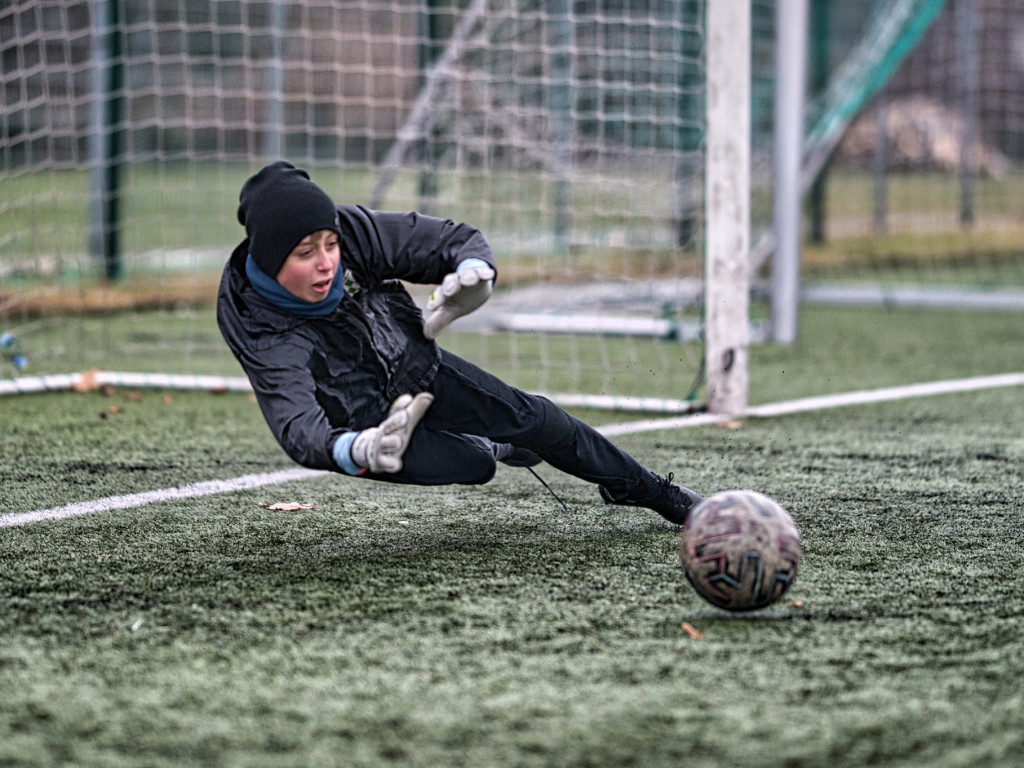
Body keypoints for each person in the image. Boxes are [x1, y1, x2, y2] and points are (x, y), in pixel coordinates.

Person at [216, 161, 702, 524]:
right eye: (305, 253)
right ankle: (494, 447)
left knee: (539, 419)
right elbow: (298, 426)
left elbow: (447, 239)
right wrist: (357, 448)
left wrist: (475, 273)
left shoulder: (352, 233)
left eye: (330, 244)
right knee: (473, 464)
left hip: (415, 365)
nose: (327, 262)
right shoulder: (259, 325)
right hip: (360, 424)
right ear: (271, 259)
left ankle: (652, 493)